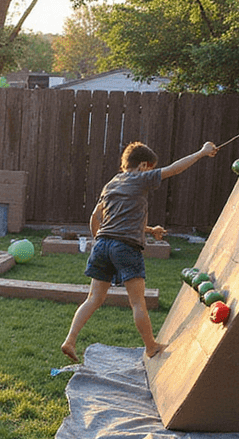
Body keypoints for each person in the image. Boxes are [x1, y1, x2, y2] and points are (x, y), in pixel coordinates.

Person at [61, 139, 218, 363]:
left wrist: (141, 230)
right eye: (151, 168)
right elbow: (174, 169)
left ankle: (70, 340)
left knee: (94, 298)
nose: (152, 173)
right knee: (137, 302)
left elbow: (96, 217)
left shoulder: (112, 183)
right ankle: (151, 346)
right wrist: (202, 153)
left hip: (103, 245)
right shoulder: (140, 177)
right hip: (126, 247)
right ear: (144, 166)